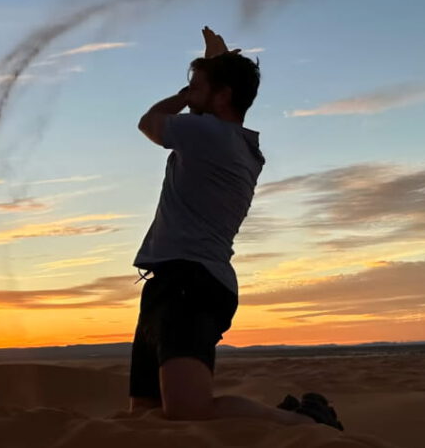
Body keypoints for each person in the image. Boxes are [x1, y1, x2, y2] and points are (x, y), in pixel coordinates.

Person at [129, 27, 343, 429]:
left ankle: (304, 424)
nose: (189, 96)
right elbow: (202, 108)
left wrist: (188, 91)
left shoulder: (211, 135)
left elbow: (150, 122)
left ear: (222, 95)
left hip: (189, 283)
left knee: (185, 411)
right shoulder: (234, 142)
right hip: (173, 283)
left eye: (196, 88)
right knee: (144, 417)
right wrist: (213, 69)